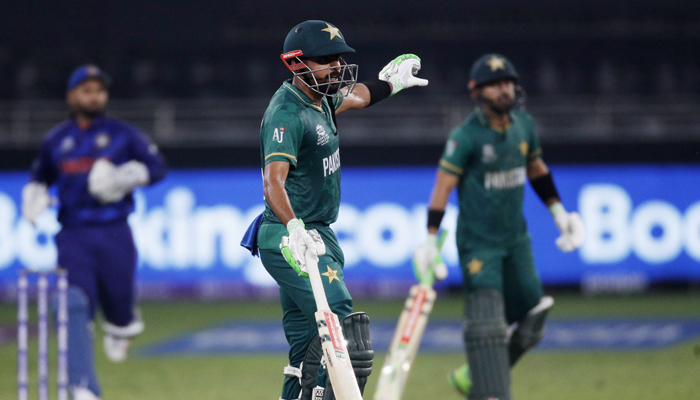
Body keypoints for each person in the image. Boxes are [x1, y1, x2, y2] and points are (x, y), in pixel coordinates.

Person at [240, 19, 428, 400]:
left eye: (339, 58)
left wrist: (391, 83)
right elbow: (272, 182)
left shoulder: (320, 97)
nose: (338, 66)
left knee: (306, 345)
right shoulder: (286, 114)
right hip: (288, 235)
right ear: (296, 64)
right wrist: (294, 229)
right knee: (341, 325)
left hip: (319, 232)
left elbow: (356, 96)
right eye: (326, 60)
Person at [412, 54, 585, 400]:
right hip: (480, 245)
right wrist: (430, 240)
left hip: (515, 239)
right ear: (477, 92)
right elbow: (442, 188)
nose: (503, 89)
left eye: (507, 82)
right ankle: (488, 390)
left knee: (534, 316)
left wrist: (559, 214)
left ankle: (470, 376)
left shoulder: (524, 125)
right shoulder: (466, 136)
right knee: (488, 322)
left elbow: (536, 168)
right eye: (494, 85)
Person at [21, 64, 167, 400]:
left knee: (120, 311)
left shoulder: (123, 134)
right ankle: (84, 387)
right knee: (72, 304)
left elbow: (158, 167)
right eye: (86, 90)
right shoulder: (57, 139)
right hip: (74, 235)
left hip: (115, 231)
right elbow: (39, 176)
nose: (94, 96)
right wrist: (34, 194)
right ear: (72, 96)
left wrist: (126, 177)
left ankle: (121, 322)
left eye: (99, 90)